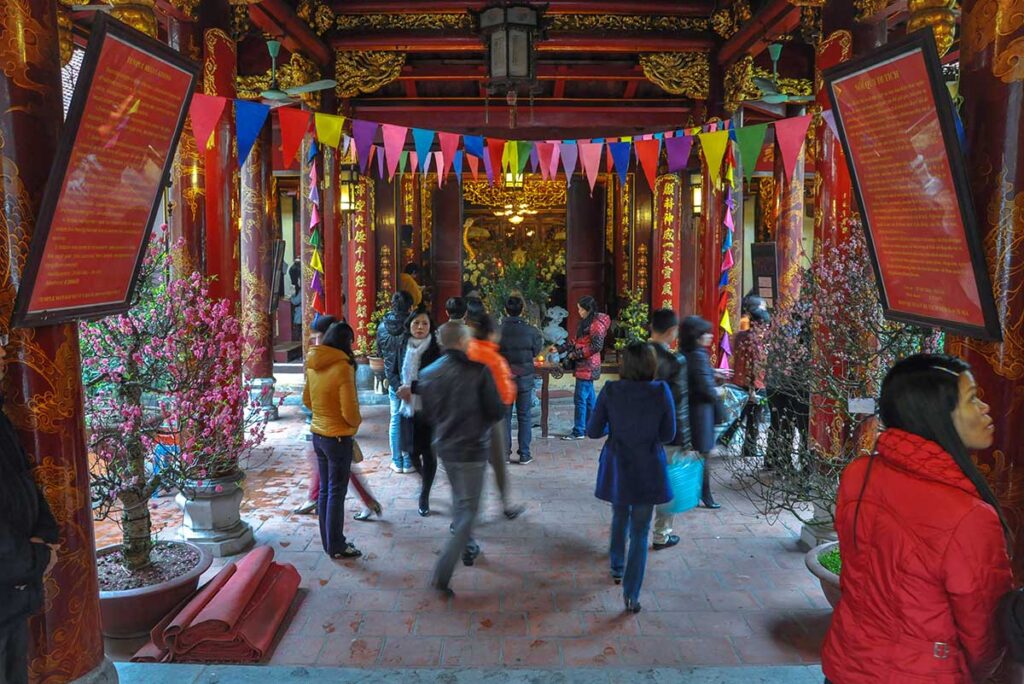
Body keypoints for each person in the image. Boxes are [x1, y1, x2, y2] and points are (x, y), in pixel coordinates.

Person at [822, 354, 1013, 683]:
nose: (984, 408)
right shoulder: (969, 516)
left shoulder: (858, 474)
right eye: (972, 399)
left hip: (847, 664)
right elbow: (982, 634)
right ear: (936, 416)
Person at [404, 322, 506, 596]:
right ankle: (443, 572)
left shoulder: (429, 373)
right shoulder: (479, 371)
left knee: (462, 501)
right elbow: (496, 411)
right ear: (463, 341)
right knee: (469, 511)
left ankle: (469, 546)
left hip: (446, 446)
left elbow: (427, 414)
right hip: (472, 447)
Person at [587, 343, 675, 614]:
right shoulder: (661, 391)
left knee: (619, 515)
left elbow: (592, 431)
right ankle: (631, 594)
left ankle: (616, 566)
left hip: (619, 464)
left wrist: (615, 428)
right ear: (651, 365)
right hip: (648, 465)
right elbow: (669, 433)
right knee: (640, 530)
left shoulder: (612, 390)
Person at [0, 342, 59, 684]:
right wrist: (37, 557)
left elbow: (25, 481)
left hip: (11, 595)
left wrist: (46, 535)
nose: (4, 357)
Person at [302, 322, 363, 559]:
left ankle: (329, 542)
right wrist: (354, 424)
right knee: (336, 493)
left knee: (326, 492)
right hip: (338, 438)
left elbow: (307, 400)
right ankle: (337, 545)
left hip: (318, 434)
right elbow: (350, 410)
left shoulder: (314, 363)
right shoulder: (342, 367)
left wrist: (323, 414)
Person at [467, 314, 525, 519]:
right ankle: (505, 504)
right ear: (492, 334)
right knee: (498, 462)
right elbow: (506, 394)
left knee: (474, 466)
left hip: (466, 418)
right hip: (490, 417)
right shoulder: (494, 359)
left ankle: (470, 510)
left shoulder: (467, 350)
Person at [388, 305, 442, 516]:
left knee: (428, 453)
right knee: (410, 453)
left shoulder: (436, 349)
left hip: (428, 408)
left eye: (424, 323)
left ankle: (424, 495)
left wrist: (413, 389)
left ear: (430, 327)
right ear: (409, 324)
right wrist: (398, 389)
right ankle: (425, 479)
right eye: (416, 323)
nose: (420, 327)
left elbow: (437, 381)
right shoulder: (401, 345)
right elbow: (391, 371)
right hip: (406, 408)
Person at [648, 309, 692, 551]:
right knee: (667, 484)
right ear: (671, 331)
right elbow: (680, 404)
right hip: (668, 433)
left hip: (639, 432)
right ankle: (661, 535)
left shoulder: (635, 355)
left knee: (641, 482)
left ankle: (633, 529)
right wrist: (686, 440)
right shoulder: (676, 361)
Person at [680, 316, 722, 509]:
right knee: (703, 454)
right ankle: (705, 494)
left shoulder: (686, 353)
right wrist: (719, 397)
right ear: (696, 336)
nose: (710, 336)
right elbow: (705, 386)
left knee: (696, 454)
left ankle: (697, 493)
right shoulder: (698, 355)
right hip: (701, 412)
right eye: (706, 332)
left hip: (692, 409)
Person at [499, 296, 544, 465]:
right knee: (524, 416)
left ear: (505, 310)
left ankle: (504, 454)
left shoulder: (498, 331)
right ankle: (525, 453)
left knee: (505, 417)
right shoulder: (531, 331)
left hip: (504, 378)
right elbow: (535, 351)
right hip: (524, 377)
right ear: (522, 310)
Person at [559, 295, 611, 440]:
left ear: (587, 309)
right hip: (583, 364)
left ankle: (579, 430)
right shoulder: (586, 322)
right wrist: (561, 348)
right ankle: (594, 427)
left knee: (580, 399)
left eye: (580, 309)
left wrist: (575, 355)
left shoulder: (596, 324)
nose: (579, 312)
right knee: (588, 400)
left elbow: (596, 346)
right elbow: (578, 340)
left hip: (588, 366)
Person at [377, 291, 414, 473]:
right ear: (410, 307)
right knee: (409, 418)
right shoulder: (412, 326)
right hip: (409, 380)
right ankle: (408, 461)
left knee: (395, 419)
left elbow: (380, 351)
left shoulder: (382, 327)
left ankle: (396, 461)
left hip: (392, 379)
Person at [730, 307, 770, 460]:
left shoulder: (740, 336)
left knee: (746, 413)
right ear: (759, 324)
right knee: (754, 415)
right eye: (765, 324)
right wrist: (753, 389)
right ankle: (749, 448)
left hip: (740, 380)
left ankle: (729, 438)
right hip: (755, 384)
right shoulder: (757, 341)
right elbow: (754, 365)